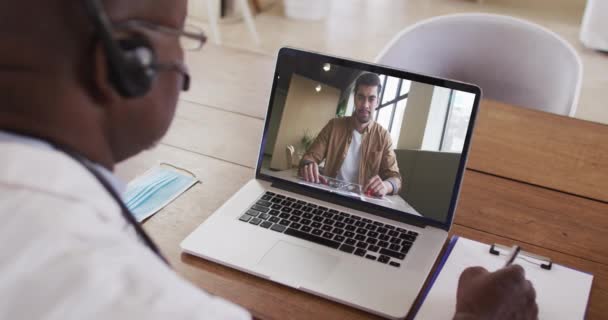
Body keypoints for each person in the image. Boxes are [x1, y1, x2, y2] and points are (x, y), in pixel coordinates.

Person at [0, 1, 537, 319]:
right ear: (127, 63)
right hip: (318, 204)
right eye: (183, 37)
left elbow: (394, 176)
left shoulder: (384, 140)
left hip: (371, 217)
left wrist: (385, 186)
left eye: (377, 100)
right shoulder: (124, 295)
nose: (370, 106)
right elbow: (312, 156)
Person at [299, 73, 402, 197]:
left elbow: (395, 178)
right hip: (329, 196)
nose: (365, 105)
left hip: (362, 203)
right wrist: (308, 165)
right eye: (361, 97)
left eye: (371, 99)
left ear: (377, 101)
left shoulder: (384, 137)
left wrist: (386, 185)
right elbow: (308, 158)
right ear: (354, 98)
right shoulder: (333, 126)